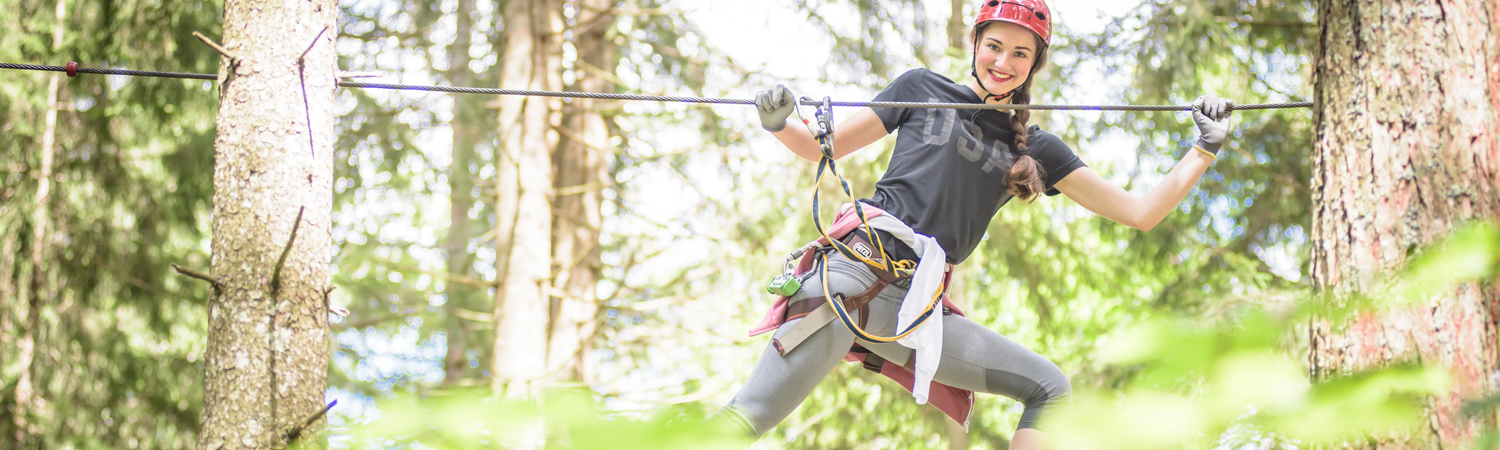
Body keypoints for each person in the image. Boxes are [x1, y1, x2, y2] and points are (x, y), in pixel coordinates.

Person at [715, 0, 1234, 448]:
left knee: (1049, 388)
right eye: (995, 46)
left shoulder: (1036, 149)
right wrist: (780, 122)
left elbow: (1140, 213)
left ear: (1034, 66)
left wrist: (1203, 149)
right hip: (855, 268)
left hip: (916, 309)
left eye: (1020, 54)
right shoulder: (920, 90)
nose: (1003, 62)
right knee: (741, 423)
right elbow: (818, 148)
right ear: (975, 44)